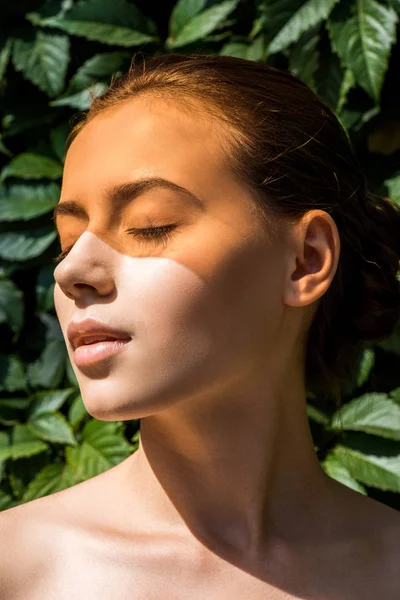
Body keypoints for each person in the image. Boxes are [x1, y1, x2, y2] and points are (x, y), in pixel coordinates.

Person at [1, 52, 400, 599]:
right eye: (67, 242)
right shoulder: (16, 570)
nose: (71, 271)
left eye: (150, 226)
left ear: (306, 259)